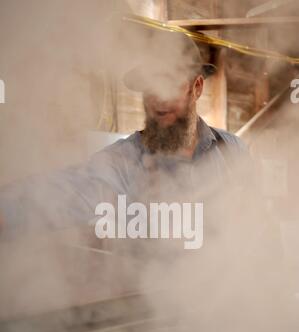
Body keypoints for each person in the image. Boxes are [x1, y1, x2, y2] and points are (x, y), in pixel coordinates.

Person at [0, 29, 249, 242]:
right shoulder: (122, 163)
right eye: (149, 86)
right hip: (149, 297)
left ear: (196, 87)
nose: (158, 100)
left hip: (223, 296)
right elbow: (58, 195)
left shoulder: (232, 152)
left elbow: (260, 233)